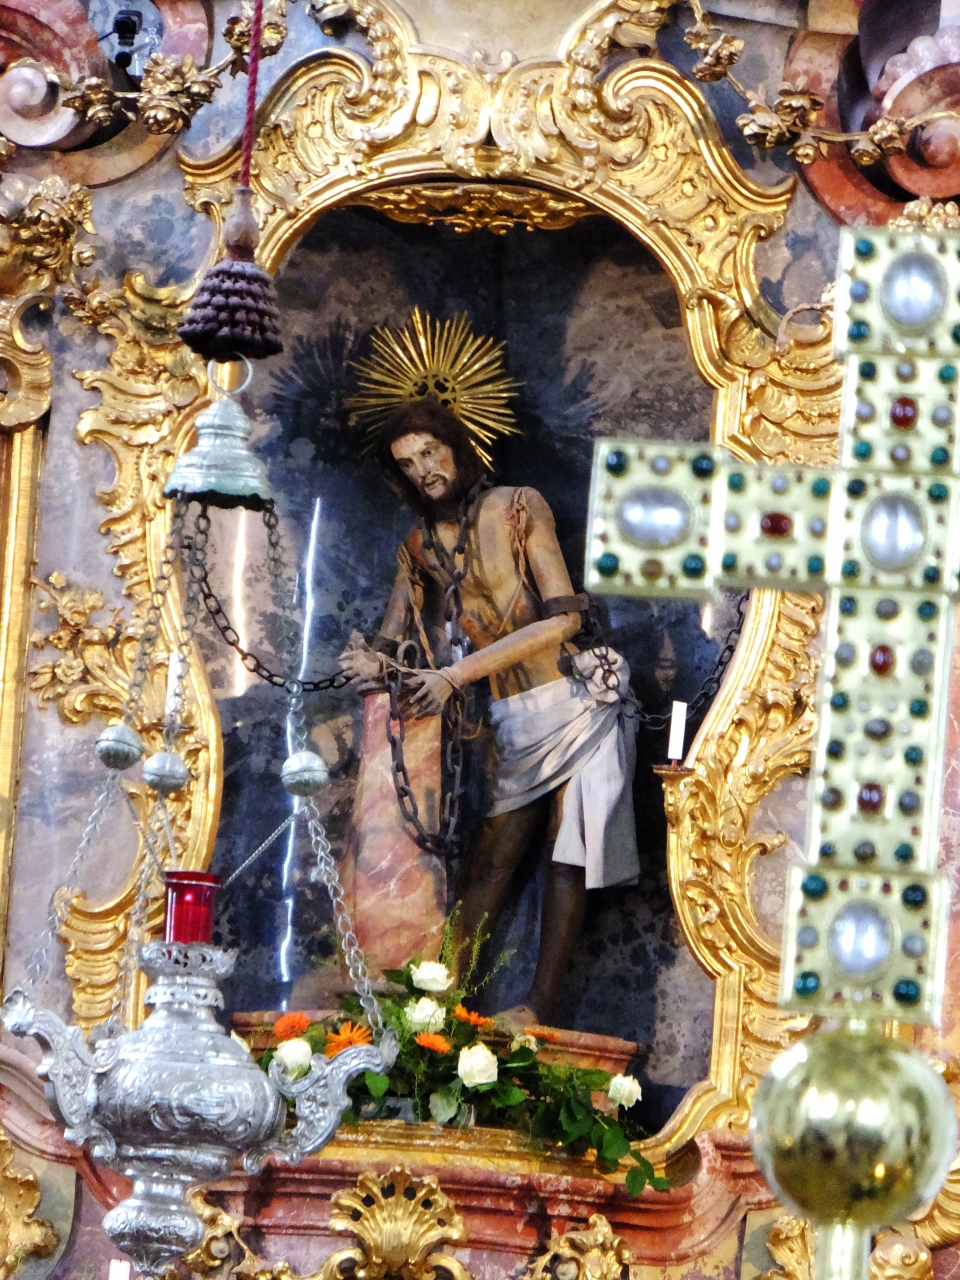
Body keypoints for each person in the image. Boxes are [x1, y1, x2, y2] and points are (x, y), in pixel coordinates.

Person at [339, 393, 639, 1030]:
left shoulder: (518, 507)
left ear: (456, 447)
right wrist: (370, 663)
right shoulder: (419, 547)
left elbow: (562, 621)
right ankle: (436, 1010)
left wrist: (456, 675)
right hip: (511, 719)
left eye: (430, 453)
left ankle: (538, 1009)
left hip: (576, 702)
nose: (423, 470)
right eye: (408, 463)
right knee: (490, 864)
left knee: (566, 853)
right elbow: (392, 641)